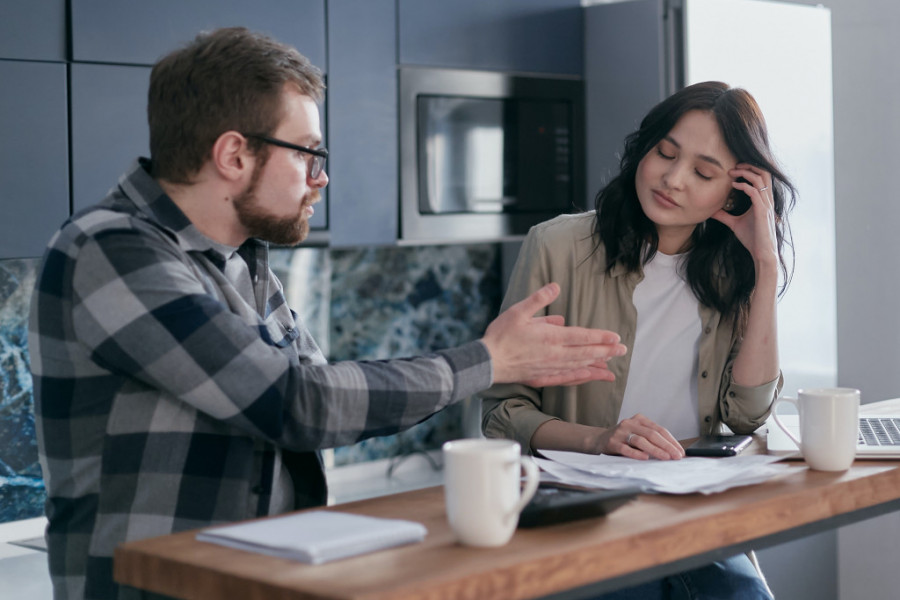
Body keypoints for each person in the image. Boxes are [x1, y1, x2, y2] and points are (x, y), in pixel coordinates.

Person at [28, 27, 628, 600]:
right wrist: (487, 361)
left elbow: (322, 396)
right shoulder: (109, 250)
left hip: (258, 577)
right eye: (308, 153)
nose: (323, 177)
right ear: (234, 155)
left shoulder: (245, 261)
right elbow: (296, 403)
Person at [481, 81, 796, 599]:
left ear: (735, 192)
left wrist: (765, 264)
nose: (672, 179)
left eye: (703, 172)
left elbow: (745, 417)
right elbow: (500, 413)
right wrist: (599, 440)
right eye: (665, 153)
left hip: (691, 512)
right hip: (584, 515)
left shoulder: (730, 271)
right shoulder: (558, 246)